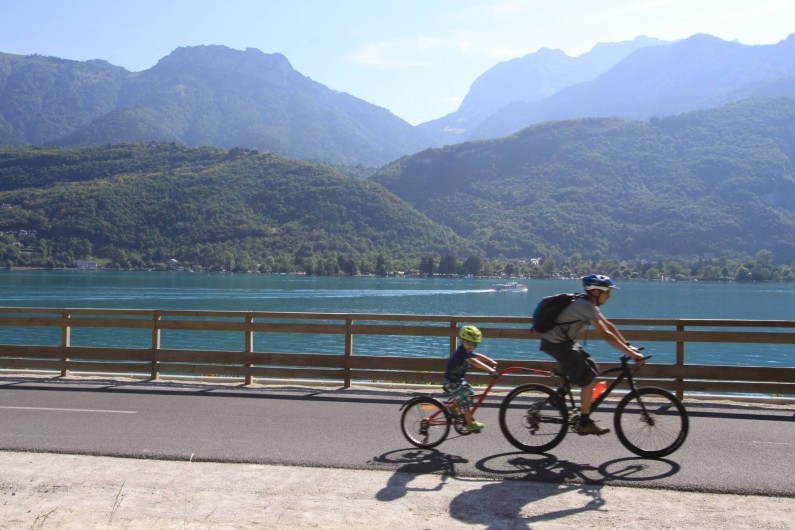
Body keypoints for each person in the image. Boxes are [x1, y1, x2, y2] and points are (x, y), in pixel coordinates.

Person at [538, 274, 644, 436]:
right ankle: (584, 422)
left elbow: (608, 325)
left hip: (565, 343)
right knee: (587, 378)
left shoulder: (590, 305)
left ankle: (558, 396)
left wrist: (629, 346)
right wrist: (630, 353)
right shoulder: (585, 306)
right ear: (596, 292)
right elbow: (606, 334)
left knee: (592, 366)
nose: (609, 295)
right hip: (555, 344)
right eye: (607, 292)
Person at [442, 325, 498, 433]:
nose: (471, 346)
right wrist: (489, 369)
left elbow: (477, 356)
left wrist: (491, 361)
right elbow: (473, 361)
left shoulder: (467, 351)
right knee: (464, 395)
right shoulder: (460, 353)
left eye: (474, 344)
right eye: (469, 343)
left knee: (470, 392)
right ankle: (469, 423)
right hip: (450, 382)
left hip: (458, 381)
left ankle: (453, 408)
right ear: (461, 341)